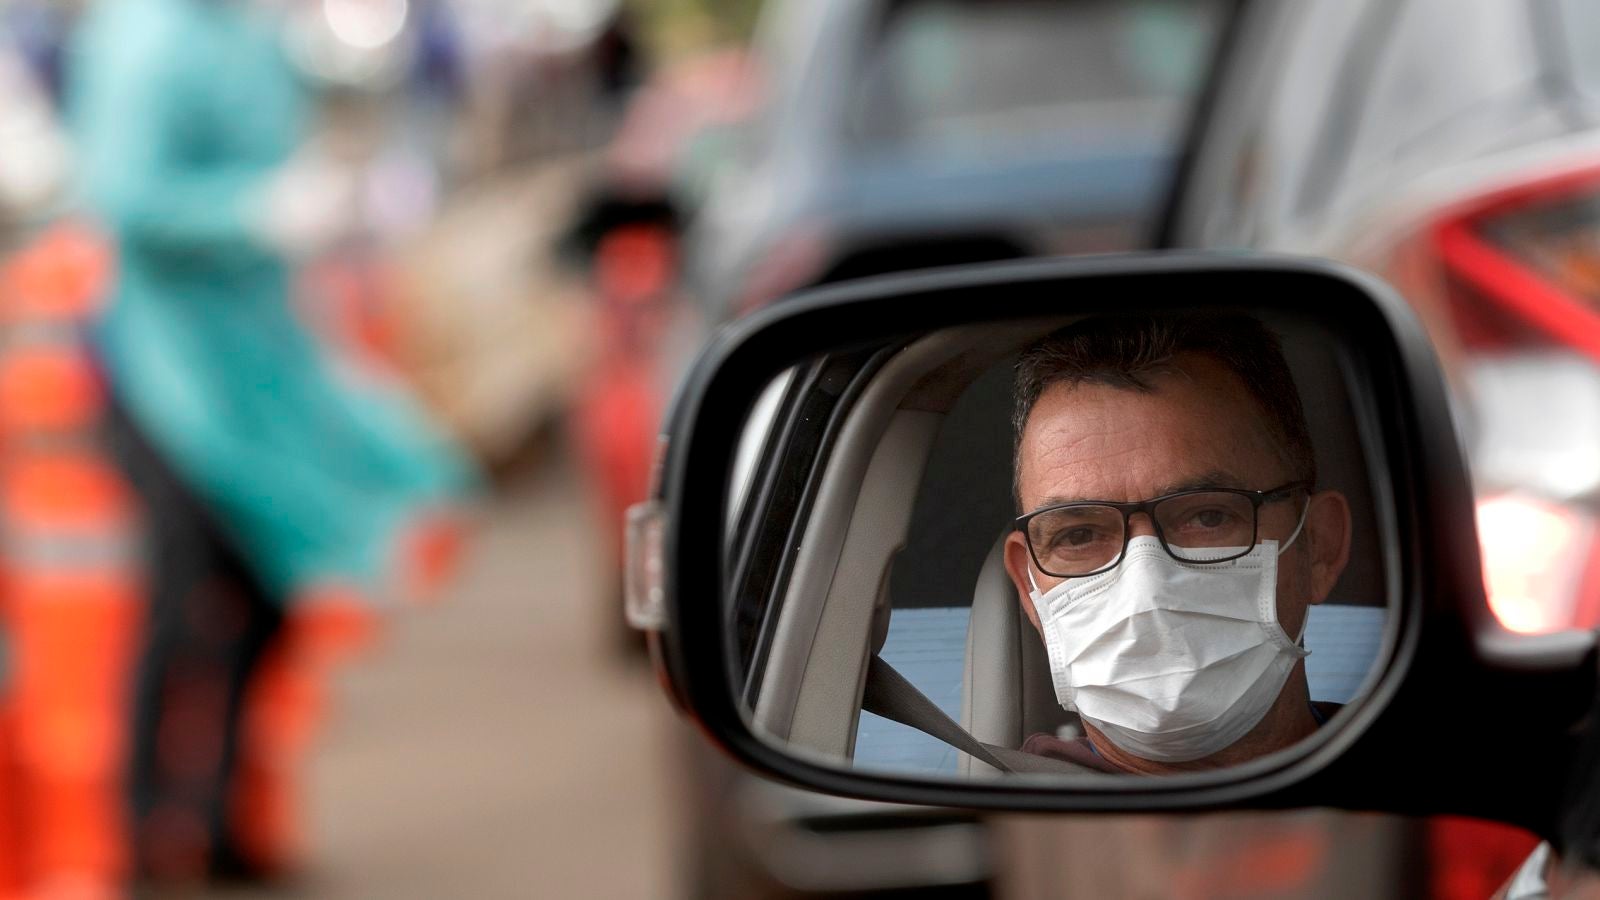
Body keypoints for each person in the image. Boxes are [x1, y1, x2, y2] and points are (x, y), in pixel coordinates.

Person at [1002, 313, 1351, 775]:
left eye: (1207, 517)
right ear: (1030, 591)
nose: (1146, 586)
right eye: (1079, 535)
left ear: (1319, 547)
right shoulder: (999, 816)